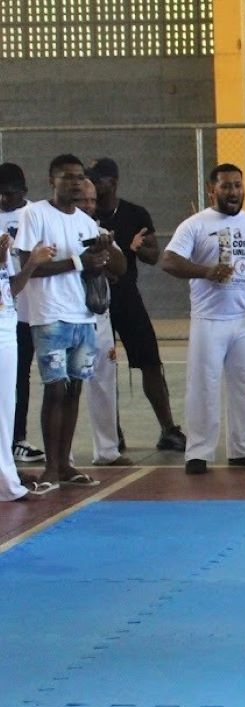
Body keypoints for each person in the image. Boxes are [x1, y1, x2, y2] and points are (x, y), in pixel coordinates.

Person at [161, 163, 245, 476]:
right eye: (226, 186)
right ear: (211, 190)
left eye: (237, 186)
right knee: (204, 386)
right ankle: (199, 452)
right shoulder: (195, 225)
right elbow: (169, 260)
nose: (233, 192)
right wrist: (205, 271)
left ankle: (243, 449)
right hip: (209, 320)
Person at [14, 155, 117, 489]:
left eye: (78, 177)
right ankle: (51, 468)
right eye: (66, 177)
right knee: (55, 389)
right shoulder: (35, 214)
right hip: (50, 315)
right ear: (51, 180)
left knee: (74, 389)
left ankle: (65, 463)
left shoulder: (86, 223)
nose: (74, 182)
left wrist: (102, 255)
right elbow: (27, 267)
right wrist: (78, 261)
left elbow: (98, 267)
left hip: (83, 315)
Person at [87, 158, 185, 452]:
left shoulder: (134, 214)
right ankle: (111, 433)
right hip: (93, 301)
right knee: (102, 368)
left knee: (151, 362)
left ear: (113, 182)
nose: (91, 185)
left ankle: (168, 428)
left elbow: (154, 255)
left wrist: (142, 248)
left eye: (97, 180)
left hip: (127, 298)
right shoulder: (84, 215)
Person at [0, 208, 56, 499]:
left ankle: (6, 475)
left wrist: (31, 263)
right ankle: (7, 483)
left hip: (6, 327)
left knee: (5, 409)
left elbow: (10, 289)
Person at [75, 180, 131, 468]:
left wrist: (109, 249)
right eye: (83, 200)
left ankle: (107, 450)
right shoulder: (57, 227)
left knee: (105, 382)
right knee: (66, 387)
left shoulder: (98, 231)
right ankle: (63, 457)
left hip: (100, 317)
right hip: (69, 318)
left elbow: (121, 268)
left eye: (92, 200)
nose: (88, 206)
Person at [0, 162, 44, 464]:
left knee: (20, 376)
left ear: (24, 191)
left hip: (30, 305)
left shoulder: (34, 214)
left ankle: (18, 438)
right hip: (5, 304)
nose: (3, 200)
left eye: (9, 194)